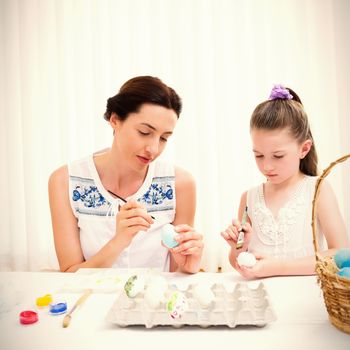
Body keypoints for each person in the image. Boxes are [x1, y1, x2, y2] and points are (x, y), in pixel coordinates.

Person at [49, 76, 203, 273]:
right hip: (95, 301)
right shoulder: (65, 181)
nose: (153, 149)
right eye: (144, 132)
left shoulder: (180, 184)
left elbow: (177, 273)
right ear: (115, 120)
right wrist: (119, 241)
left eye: (164, 138)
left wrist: (189, 265)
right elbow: (70, 273)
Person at [221, 84, 349, 279]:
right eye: (259, 155)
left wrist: (278, 267)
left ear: (304, 149)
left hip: (305, 299)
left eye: (278, 156)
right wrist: (238, 248)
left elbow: (341, 255)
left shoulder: (317, 190)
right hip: (260, 301)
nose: (267, 166)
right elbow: (240, 263)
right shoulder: (249, 198)